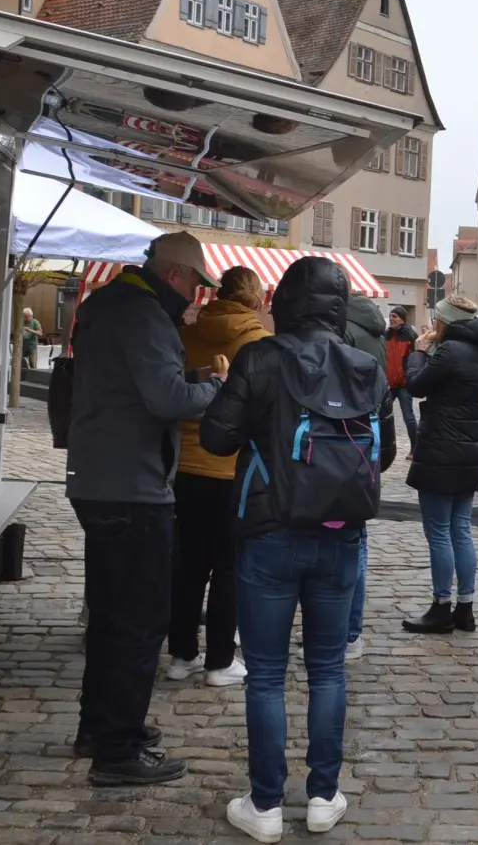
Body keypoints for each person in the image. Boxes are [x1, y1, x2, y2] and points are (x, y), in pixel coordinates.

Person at [198, 257, 391, 842]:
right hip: (339, 535)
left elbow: (214, 436)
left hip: (268, 533)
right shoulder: (366, 366)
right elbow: (381, 455)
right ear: (339, 306)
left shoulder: (260, 358)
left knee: (266, 675)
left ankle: (265, 807)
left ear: (282, 302)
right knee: (328, 669)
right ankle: (324, 796)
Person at [64, 231, 222, 787]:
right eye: (195, 285)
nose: (197, 297)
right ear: (176, 276)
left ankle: (99, 726)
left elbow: (141, 386)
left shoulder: (109, 302)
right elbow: (168, 399)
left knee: (110, 613)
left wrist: (188, 380)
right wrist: (215, 389)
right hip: (132, 485)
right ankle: (119, 749)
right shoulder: (145, 314)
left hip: (101, 477)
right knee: (138, 620)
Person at [168, 267, 270, 686]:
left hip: (185, 462)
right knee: (229, 567)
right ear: (257, 301)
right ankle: (220, 661)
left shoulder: (187, 332)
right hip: (231, 466)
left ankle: (180, 655)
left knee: (188, 564)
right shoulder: (259, 343)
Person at [401, 295, 478, 635]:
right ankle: (466, 608)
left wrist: (417, 351)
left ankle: (442, 607)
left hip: (441, 451)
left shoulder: (449, 351)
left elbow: (415, 385)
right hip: (470, 451)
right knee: (460, 529)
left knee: (439, 532)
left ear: (446, 322)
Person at [342, 294, 399, 660]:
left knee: (346, 542)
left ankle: (345, 633)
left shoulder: (342, 332)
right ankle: (350, 634)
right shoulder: (376, 334)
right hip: (367, 444)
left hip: (338, 442)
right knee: (356, 540)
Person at [383, 306, 418, 454]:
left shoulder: (411, 335)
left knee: (408, 418)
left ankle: (415, 449)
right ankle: (383, 446)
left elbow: (416, 359)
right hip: (388, 383)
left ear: (402, 319)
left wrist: (410, 376)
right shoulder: (386, 335)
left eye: (395, 316)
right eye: (391, 316)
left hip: (404, 384)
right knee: (382, 416)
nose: (392, 319)